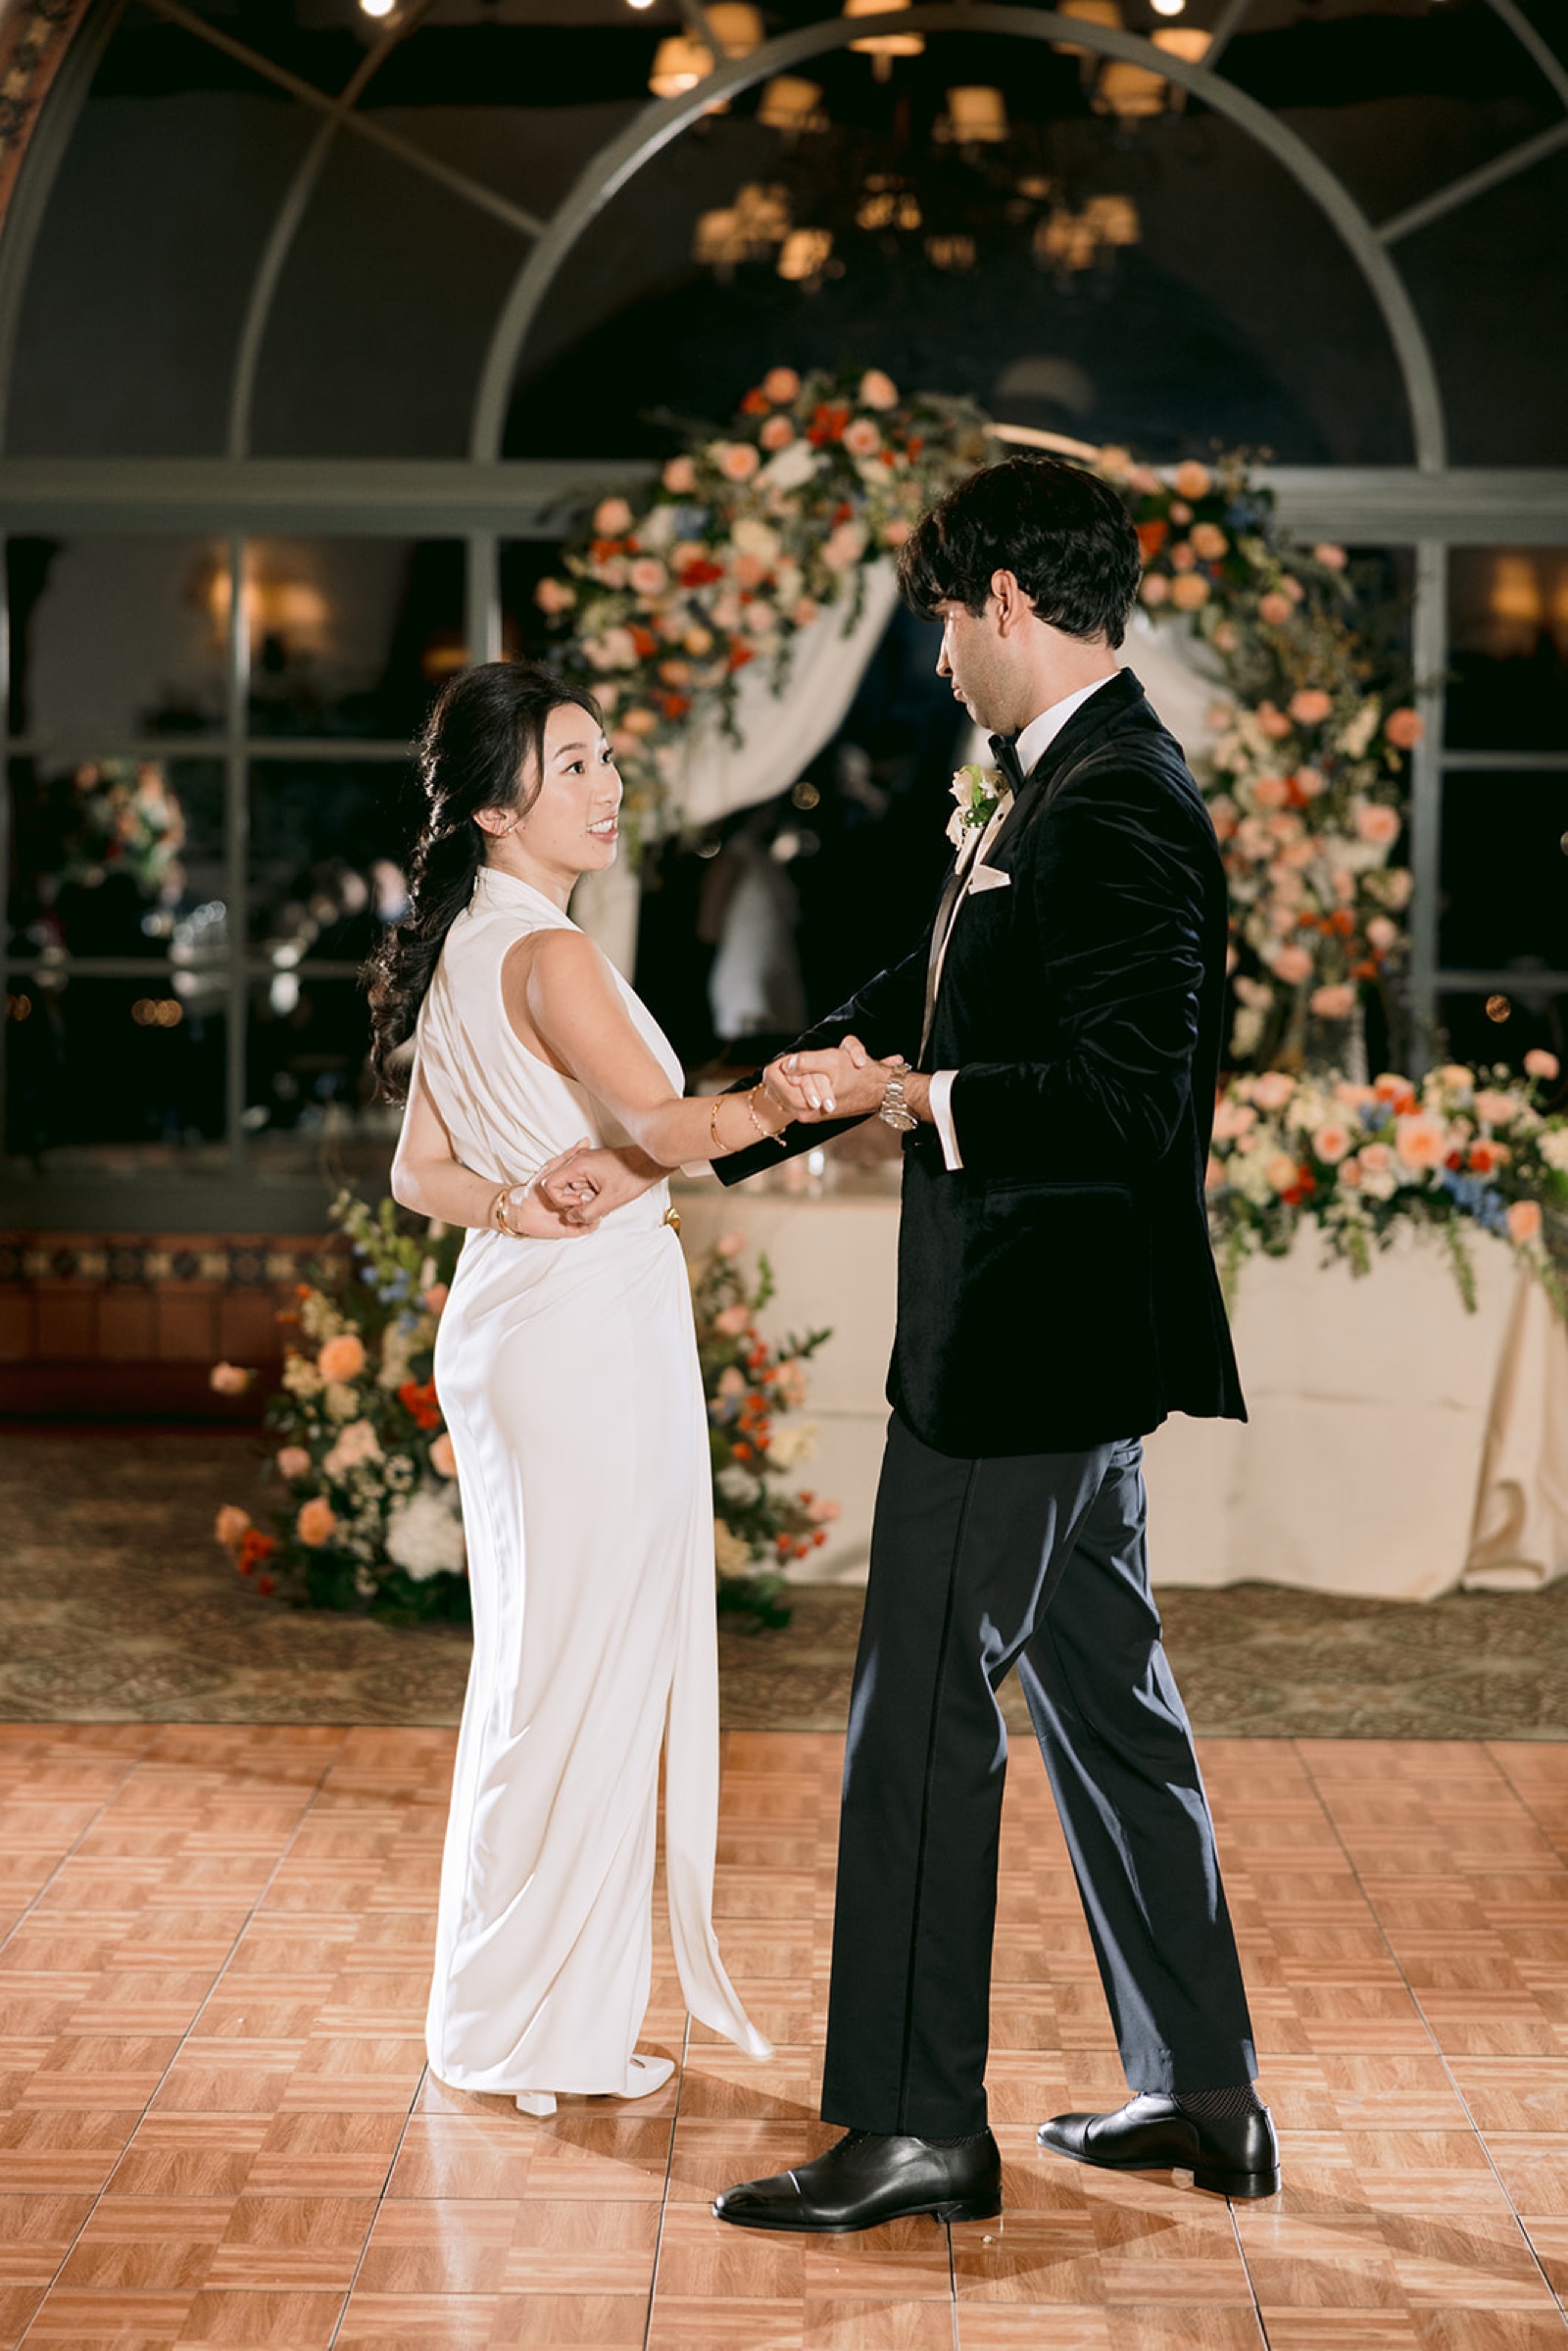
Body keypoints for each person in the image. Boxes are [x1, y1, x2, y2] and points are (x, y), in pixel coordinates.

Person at [552, 454, 1276, 2229]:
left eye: (947, 618)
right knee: (1112, 1713)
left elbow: (1126, 1103)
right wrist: (742, 1109)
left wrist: (927, 1098)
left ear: (1010, 604)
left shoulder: (1117, 805)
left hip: (1021, 1358)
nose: (940, 656)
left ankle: (912, 2125)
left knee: (915, 1721)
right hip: (1056, 1356)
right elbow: (922, 1000)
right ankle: (1203, 2094)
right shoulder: (1053, 789)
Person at [367, 660, 784, 2117]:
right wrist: (804, 1097)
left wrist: (511, 1208)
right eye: (573, 765)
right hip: (585, 1337)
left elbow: (421, 1172)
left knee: (543, 1675)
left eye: (607, 758)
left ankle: (507, 2010)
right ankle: (537, 2028)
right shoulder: (549, 955)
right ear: (496, 805)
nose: (608, 787)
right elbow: (671, 1123)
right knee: (589, 1678)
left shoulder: (473, 942)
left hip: (514, 1317)